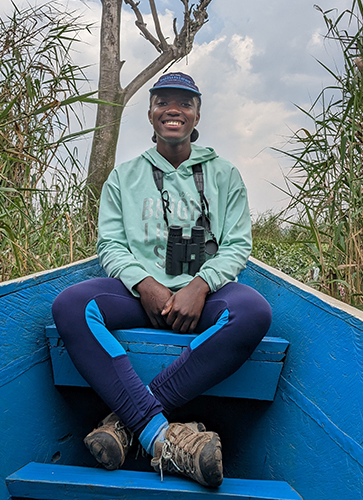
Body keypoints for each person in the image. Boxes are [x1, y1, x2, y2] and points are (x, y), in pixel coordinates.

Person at [51, 72, 272, 488]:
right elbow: (111, 245)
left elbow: (237, 245)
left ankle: (127, 421)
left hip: (202, 299)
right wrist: (145, 284)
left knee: (255, 311)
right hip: (139, 296)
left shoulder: (224, 174)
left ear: (197, 114)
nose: (174, 109)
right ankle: (164, 436)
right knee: (70, 305)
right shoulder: (124, 177)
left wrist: (200, 285)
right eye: (163, 102)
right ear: (151, 114)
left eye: (185, 103)